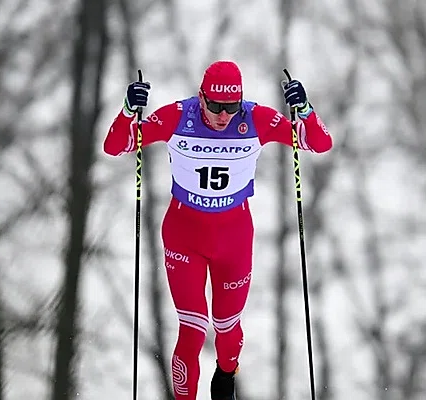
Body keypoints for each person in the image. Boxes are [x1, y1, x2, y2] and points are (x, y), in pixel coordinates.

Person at [102, 60, 333, 399]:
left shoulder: (256, 119)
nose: (223, 116)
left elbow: (320, 143)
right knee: (193, 330)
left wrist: (305, 109)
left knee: (227, 330)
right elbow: (116, 146)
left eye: (231, 107)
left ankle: (226, 376)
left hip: (234, 238)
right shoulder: (178, 116)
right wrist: (127, 110)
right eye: (214, 106)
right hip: (185, 234)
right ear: (201, 97)